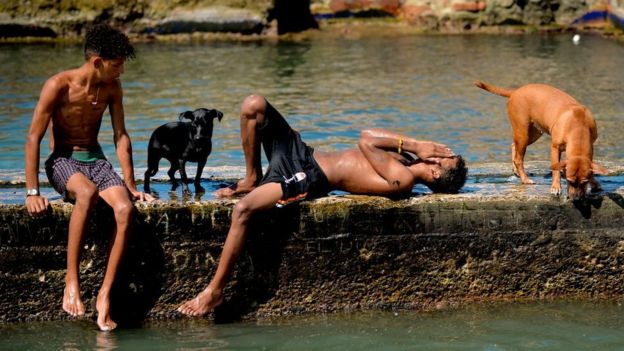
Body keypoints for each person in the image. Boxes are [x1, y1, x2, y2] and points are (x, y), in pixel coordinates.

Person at [177, 95, 467, 316]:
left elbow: (366, 141)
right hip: (302, 154)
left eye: (443, 157)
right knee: (254, 105)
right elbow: (369, 133)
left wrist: (416, 145)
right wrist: (412, 147)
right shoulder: (404, 160)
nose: (439, 150)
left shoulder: (402, 179)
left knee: (243, 211)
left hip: (308, 177)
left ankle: (214, 291)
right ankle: (252, 176)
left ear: (436, 172)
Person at [24, 23, 154, 331]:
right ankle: (72, 279)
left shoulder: (112, 88)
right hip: (64, 161)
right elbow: (32, 138)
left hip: (96, 160)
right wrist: (32, 192)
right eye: (117, 63)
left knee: (125, 209)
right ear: (97, 61)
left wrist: (131, 185)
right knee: (87, 193)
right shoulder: (58, 85)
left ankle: (104, 294)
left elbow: (120, 136)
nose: (121, 70)